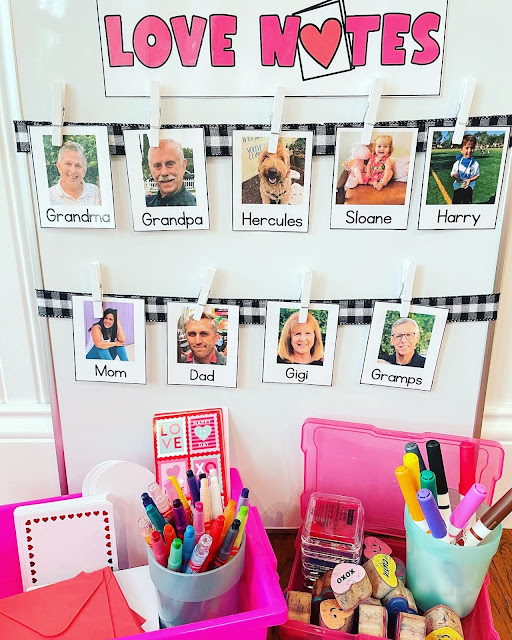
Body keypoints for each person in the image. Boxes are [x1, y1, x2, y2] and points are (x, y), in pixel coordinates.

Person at [145, 139, 196, 207]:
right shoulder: (144, 206)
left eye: (170, 164)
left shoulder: (195, 208)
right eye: (157, 166)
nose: (164, 172)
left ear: (183, 166)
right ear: (151, 170)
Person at [48, 141, 101, 205]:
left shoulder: (95, 193)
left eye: (78, 165)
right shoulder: (48, 196)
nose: (73, 171)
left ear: (84, 170)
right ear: (59, 166)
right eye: (68, 164)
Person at [450, 134, 480, 204]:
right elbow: (453, 174)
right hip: (458, 187)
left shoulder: (475, 164)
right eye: (467, 148)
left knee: (467, 205)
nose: (469, 150)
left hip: (469, 188)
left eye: (472, 148)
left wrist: (470, 180)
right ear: (461, 150)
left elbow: (477, 175)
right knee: (456, 205)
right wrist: (458, 178)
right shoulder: (457, 163)